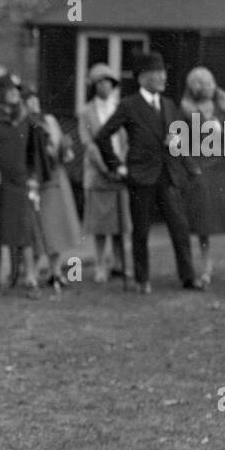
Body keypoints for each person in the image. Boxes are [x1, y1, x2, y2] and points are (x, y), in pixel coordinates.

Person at [94, 52, 201, 292]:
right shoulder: (129, 105)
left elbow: (176, 140)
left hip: (168, 175)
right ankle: (142, 280)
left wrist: (190, 165)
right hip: (141, 177)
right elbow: (102, 136)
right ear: (142, 78)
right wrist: (117, 166)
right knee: (141, 230)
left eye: (164, 73)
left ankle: (188, 277)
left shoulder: (169, 104)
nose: (163, 78)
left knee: (180, 227)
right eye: (157, 74)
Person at [180, 67, 225, 286]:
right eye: (205, 84)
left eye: (211, 81)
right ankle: (206, 269)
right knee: (205, 219)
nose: (211, 86)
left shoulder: (224, 103)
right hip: (203, 166)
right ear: (196, 88)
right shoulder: (186, 110)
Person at [0, 75, 42, 294]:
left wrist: (33, 176)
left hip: (19, 182)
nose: (16, 93)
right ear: (0, 92)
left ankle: (30, 276)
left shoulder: (26, 119)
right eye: (11, 89)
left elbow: (33, 151)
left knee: (23, 232)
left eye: (18, 89)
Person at [77, 63, 130, 284]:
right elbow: (89, 145)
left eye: (108, 82)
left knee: (120, 224)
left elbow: (125, 141)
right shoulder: (86, 112)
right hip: (99, 175)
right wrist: (106, 168)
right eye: (100, 82)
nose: (105, 86)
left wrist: (121, 166)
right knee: (100, 226)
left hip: (120, 174)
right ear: (93, 86)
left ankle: (119, 264)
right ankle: (100, 265)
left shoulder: (119, 109)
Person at [24, 88, 82, 290]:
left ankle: (55, 272)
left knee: (57, 227)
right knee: (38, 230)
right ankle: (30, 274)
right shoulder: (24, 125)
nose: (33, 104)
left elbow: (61, 151)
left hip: (56, 178)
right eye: (28, 102)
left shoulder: (50, 121)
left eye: (34, 100)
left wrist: (64, 147)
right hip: (35, 181)